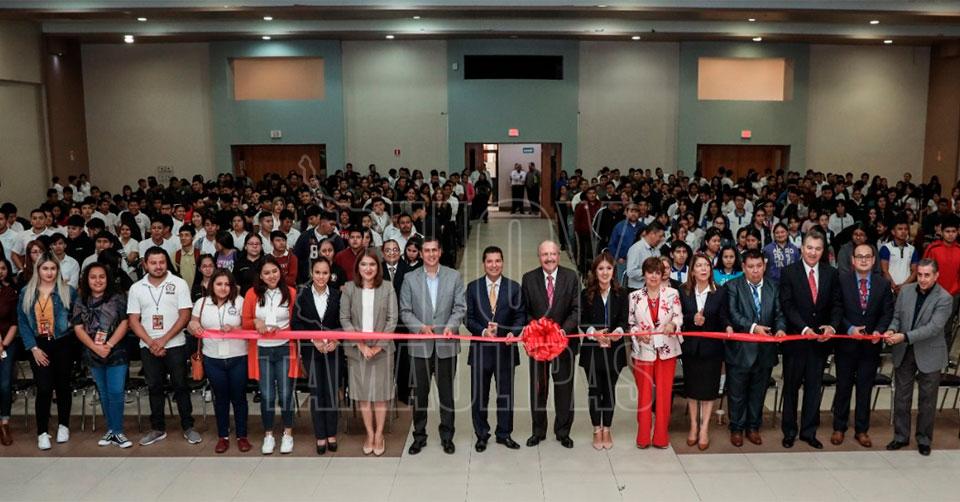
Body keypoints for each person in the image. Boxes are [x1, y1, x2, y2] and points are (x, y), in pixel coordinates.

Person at [127, 247, 200, 446]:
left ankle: (188, 426)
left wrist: (164, 339)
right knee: (154, 387)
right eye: (153, 263)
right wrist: (152, 342)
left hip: (175, 344)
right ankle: (158, 428)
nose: (158, 266)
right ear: (145, 264)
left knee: (181, 385)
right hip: (148, 346)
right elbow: (133, 320)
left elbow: (185, 315)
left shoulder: (178, 283)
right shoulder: (137, 288)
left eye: (162, 262)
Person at [400, 237, 466, 455]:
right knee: (420, 395)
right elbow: (405, 311)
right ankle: (419, 436)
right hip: (420, 345)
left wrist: (450, 326)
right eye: (426, 250)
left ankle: (447, 436)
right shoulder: (410, 278)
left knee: (446, 394)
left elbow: (460, 307)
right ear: (420, 254)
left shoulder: (454, 276)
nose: (430, 254)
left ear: (440, 252)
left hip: (446, 344)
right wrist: (419, 327)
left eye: (434, 250)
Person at [778, 230, 842, 449]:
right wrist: (804, 328)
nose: (813, 252)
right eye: (809, 248)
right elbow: (787, 305)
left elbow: (837, 304)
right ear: (802, 248)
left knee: (814, 388)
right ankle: (789, 431)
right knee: (791, 388)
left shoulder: (831, 273)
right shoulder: (789, 272)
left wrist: (832, 327)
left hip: (820, 343)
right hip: (796, 340)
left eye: (818, 248)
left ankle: (809, 432)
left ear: (823, 251)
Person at [884, 259, 952, 456]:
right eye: (920, 274)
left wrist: (904, 336)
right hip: (904, 351)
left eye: (927, 275)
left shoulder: (944, 298)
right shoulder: (905, 291)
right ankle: (900, 437)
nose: (922, 279)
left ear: (936, 276)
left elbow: (933, 328)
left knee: (927, 400)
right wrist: (891, 329)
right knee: (901, 396)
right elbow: (897, 317)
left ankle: (924, 439)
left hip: (930, 353)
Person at [831, 243, 894, 448]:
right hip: (846, 345)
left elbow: (887, 312)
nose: (864, 260)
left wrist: (879, 331)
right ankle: (839, 427)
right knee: (843, 387)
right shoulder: (842, 280)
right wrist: (850, 329)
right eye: (860, 256)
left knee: (865, 388)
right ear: (853, 260)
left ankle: (861, 430)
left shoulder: (883, 284)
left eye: (868, 256)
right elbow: (836, 309)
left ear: (874, 260)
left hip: (870, 347)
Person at [465, 246, 525, 452]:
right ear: (484, 263)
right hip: (481, 350)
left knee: (505, 395)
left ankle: (504, 434)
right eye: (489, 261)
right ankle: (481, 434)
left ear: (503, 262)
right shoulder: (473, 288)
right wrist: (482, 331)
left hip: (505, 350)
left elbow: (520, 317)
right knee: (479, 396)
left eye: (497, 261)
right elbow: (468, 318)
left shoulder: (514, 288)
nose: (494, 265)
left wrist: (513, 333)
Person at [521, 240, 581, 448]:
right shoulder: (528, 279)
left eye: (552, 254)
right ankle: (538, 431)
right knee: (539, 389)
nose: (549, 258)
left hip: (564, 344)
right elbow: (524, 311)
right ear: (539, 257)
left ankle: (563, 432)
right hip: (538, 346)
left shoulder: (571, 277)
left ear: (558, 255)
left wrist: (563, 330)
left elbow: (577, 309)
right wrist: (536, 329)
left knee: (564, 389)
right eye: (545, 254)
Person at [187, 269, 251, 454]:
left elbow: (248, 326)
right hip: (212, 357)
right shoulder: (202, 303)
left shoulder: (240, 301)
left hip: (238, 356)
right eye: (219, 284)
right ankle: (223, 436)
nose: (223, 288)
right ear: (212, 285)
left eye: (227, 284)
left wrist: (235, 328)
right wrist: (194, 326)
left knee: (239, 397)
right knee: (220, 398)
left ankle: (242, 435)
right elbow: (191, 324)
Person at [341, 250, 398, 456]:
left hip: (382, 350)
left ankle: (379, 434)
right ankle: (369, 433)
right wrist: (361, 345)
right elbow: (344, 319)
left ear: (378, 267)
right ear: (358, 267)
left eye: (372, 264)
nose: (368, 268)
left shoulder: (388, 288)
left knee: (381, 395)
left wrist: (377, 346)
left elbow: (392, 320)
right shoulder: (349, 288)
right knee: (363, 395)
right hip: (358, 350)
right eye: (364, 264)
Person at [726, 249, 785, 447]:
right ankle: (736, 428)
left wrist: (781, 329)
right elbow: (734, 314)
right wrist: (753, 328)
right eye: (750, 267)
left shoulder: (773, 286)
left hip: (765, 350)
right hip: (740, 351)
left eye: (759, 266)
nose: (755, 270)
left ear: (764, 266)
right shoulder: (733, 286)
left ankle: (753, 427)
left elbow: (779, 313)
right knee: (737, 393)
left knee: (758, 393)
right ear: (743, 267)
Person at [17, 252, 76, 450]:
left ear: (57, 270)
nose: (49, 273)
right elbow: (23, 322)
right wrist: (33, 348)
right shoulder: (27, 292)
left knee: (63, 386)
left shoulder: (68, 291)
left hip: (62, 343)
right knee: (43, 388)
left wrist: (68, 325)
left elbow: (77, 317)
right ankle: (42, 432)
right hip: (39, 345)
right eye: (45, 268)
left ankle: (63, 425)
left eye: (53, 268)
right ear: (38, 270)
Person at [242, 255, 299, 455]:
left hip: (285, 348)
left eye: (275, 271)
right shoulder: (252, 294)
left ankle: (288, 433)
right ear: (260, 275)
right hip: (262, 350)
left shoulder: (291, 292)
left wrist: (282, 330)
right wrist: (256, 322)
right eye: (266, 273)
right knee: (267, 395)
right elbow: (245, 321)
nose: (272, 275)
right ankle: (268, 435)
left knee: (285, 393)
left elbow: (296, 321)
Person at [71, 263, 132, 448]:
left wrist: (109, 345)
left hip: (116, 351)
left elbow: (125, 323)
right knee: (104, 393)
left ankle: (118, 431)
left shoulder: (118, 298)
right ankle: (111, 430)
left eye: (101, 277)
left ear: (108, 279)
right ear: (86, 280)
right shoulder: (81, 300)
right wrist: (95, 347)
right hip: (93, 353)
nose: (97, 280)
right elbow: (78, 328)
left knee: (116, 391)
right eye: (93, 277)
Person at [628, 256, 683, 449]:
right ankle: (643, 436)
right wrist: (637, 333)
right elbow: (631, 324)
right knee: (644, 395)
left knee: (664, 394)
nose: (653, 276)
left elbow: (678, 316)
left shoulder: (673, 293)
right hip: (643, 350)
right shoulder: (634, 297)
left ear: (662, 274)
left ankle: (661, 436)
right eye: (650, 272)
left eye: (657, 272)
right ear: (644, 274)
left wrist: (673, 324)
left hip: (667, 350)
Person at [679, 253, 731, 451]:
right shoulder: (684, 291)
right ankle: (693, 426)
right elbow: (679, 316)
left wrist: (728, 326)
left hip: (712, 348)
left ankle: (704, 429)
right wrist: (692, 318)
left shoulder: (720, 292)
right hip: (691, 347)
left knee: (709, 390)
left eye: (707, 265)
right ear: (692, 271)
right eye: (699, 265)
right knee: (692, 389)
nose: (703, 269)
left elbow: (724, 316)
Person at [578, 252, 629, 450]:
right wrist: (593, 333)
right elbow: (582, 320)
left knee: (608, 390)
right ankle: (596, 429)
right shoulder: (586, 294)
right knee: (594, 390)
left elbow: (624, 320)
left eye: (608, 268)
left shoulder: (621, 294)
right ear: (595, 271)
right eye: (601, 269)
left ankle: (607, 428)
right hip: (593, 349)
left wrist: (618, 332)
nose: (605, 272)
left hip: (614, 349)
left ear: (613, 271)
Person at [292, 257, 342, 455]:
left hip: (333, 349)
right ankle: (320, 435)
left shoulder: (337, 295)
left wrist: (336, 340)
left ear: (330, 275)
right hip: (311, 350)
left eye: (325, 273)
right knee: (316, 393)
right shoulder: (302, 295)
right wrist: (314, 339)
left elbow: (344, 322)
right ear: (311, 273)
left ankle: (332, 433)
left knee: (331, 392)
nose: (321, 277)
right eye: (318, 272)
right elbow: (296, 323)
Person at [0, 257, 18, 446]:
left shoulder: (10, 292)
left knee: (4, 385)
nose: (0, 271)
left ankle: (4, 423)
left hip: (7, 343)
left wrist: (3, 344)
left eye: (3, 268)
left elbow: (14, 322)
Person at [624, 222, 664, 288]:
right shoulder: (636, 248)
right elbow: (630, 272)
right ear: (652, 234)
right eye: (660, 236)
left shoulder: (657, 250)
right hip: (637, 288)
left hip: (652, 288)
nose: (661, 239)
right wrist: (649, 272)